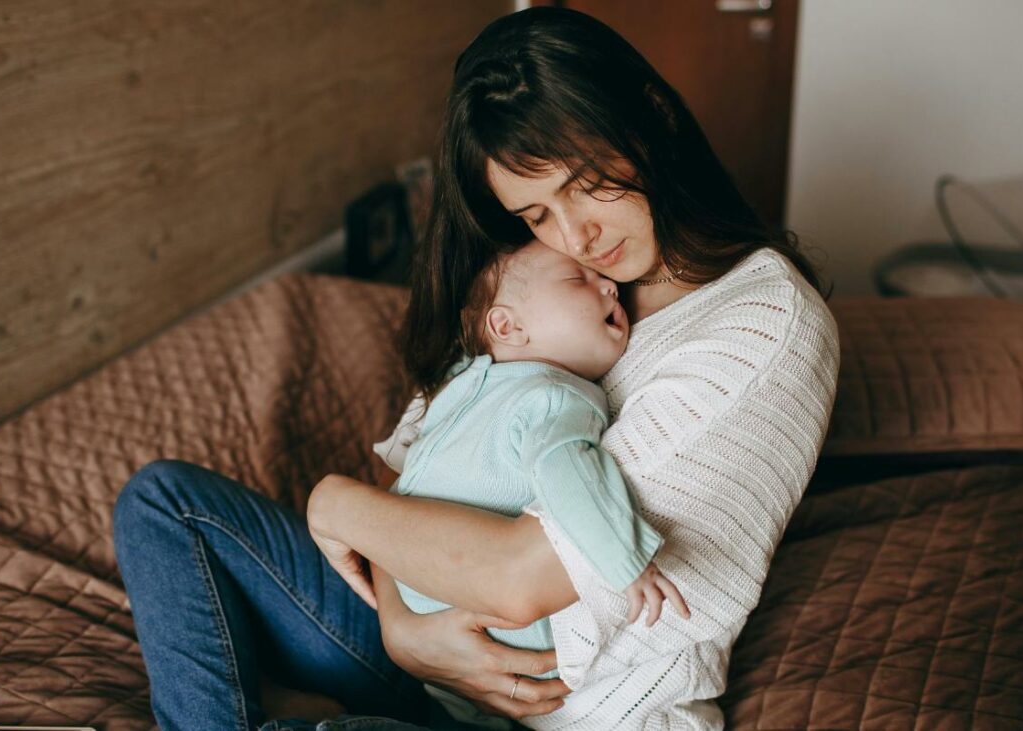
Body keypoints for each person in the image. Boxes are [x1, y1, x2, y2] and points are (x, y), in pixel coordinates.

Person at [113, 6, 839, 731]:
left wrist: (333, 504)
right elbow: (412, 477)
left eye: (587, 182)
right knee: (163, 502)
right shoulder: (538, 283)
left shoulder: (763, 323)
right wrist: (403, 630)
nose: (577, 237)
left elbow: (520, 581)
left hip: (557, 709)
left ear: (654, 119)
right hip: (426, 657)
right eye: (536, 214)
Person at [317, 240, 689, 728]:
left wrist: (625, 559)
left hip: (490, 646)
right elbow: (399, 473)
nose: (610, 286)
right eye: (578, 279)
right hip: (431, 629)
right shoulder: (477, 380)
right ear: (507, 326)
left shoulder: (557, 397)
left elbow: (571, 472)